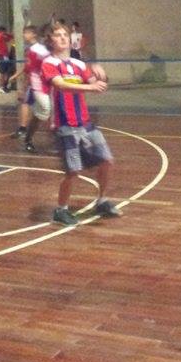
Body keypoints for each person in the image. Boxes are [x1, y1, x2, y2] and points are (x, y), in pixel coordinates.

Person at [41, 21, 120, 226]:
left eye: (65, 35)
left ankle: (102, 201)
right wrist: (90, 88)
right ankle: (61, 210)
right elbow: (61, 85)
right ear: (50, 41)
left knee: (106, 161)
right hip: (65, 125)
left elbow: (96, 83)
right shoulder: (49, 63)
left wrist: (101, 76)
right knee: (73, 171)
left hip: (85, 123)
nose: (63, 38)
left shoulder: (79, 65)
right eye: (57, 35)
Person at [8, 24, 51, 153]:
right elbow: (28, 68)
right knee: (34, 105)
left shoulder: (40, 50)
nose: (23, 35)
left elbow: (41, 66)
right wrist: (18, 78)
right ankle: (25, 130)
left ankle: (27, 131)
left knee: (43, 110)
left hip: (45, 83)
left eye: (26, 33)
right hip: (37, 84)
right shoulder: (32, 50)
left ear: (33, 34)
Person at [0, 25, 14, 93]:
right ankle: (0, 87)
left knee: (6, 72)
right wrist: (5, 34)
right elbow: (3, 36)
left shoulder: (2, 37)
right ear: (1, 31)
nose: (5, 33)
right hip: (1, 55)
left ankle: (4, 86)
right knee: (1, 72)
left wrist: (9, 34)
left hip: (5, 55)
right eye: (4, 32)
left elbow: (10, 37)